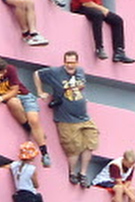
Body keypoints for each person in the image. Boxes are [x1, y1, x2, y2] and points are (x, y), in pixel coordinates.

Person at [37, 50, 98, 185]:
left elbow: (82, 84)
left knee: (91, 143)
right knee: (73, 148)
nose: (70, 65)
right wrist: (40, 91)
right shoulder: (55, 72)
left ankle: (83, 173)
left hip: (84, 117)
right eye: (67, 62)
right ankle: (72, 173)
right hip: (67, 119)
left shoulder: (80, 71)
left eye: (72, 62)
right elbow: (37, 74)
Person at [68, 0, 135, 63]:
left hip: (95, 6)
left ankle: (119, 51)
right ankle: (99, 48)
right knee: (98, 15)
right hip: (80, 7)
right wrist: (103, 9)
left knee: (117, 20)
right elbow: (85, 3)